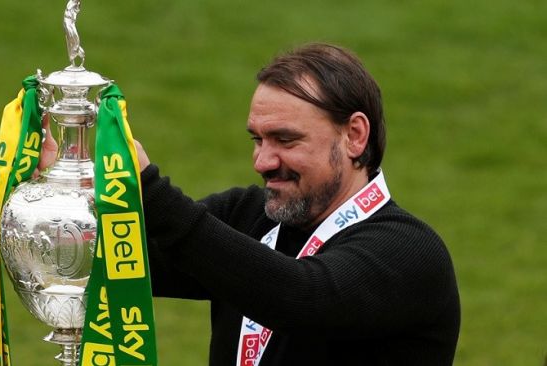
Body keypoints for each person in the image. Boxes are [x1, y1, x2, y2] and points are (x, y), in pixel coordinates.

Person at [42, 43, 461, 365]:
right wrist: (60, 193)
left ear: (354, 136)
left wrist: (149, 191)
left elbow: (302, 297)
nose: (263, 161)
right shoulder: (246, 216)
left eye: (285, 139)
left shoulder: (409, 253)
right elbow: (101, 261)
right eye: (258, 140)